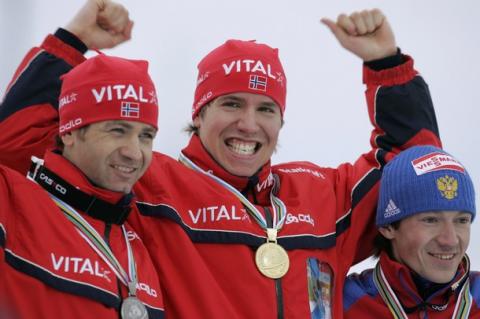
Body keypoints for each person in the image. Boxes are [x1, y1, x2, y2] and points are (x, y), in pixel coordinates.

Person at [0, 3, 442, 319]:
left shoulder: (323, 195)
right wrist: (71, 43)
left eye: (265, 109)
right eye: (231, 104)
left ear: (281, 120)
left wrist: (387, 65)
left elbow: (420, 172)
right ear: (198, 114)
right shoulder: (144, 180)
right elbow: (18, 148)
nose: (249, 124)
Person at [0, 3, 164, 319]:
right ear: (70, 132)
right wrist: (73, 40)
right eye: (117, 130)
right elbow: (8, 141)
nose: (134, 151)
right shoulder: (14, 205)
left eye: (146, 136)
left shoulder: (143, 236)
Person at [343, 145, 480, 318]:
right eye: (431, 220)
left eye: (462, 220)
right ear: (388, 226)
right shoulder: (345, 303)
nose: (450, 240)